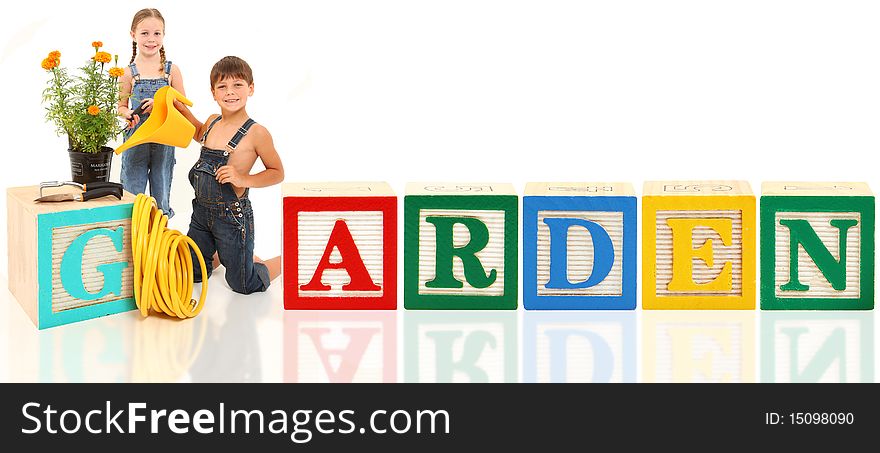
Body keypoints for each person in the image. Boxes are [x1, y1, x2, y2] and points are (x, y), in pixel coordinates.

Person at [175, 56, 284, 294]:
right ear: (213, 93)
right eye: (222, 87)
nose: (230, 92)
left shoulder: (257, 133)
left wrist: (243, 179)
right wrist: (180, 108)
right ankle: (217, 252)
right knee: (191, 272)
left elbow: (277, 173)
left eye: (237, 85)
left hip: (232, 217)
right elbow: (198, 133)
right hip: (201, 212)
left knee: (244, 284)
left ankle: (283, 260)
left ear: (251, 88)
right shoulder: (213, 122)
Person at [117, 8, 185, 218]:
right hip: (137, 138)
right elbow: (121, 107)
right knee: (133, 195)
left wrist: (160, 104)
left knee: (161, 195)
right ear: (133, 35)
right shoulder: (128, 73)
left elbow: (182, 105)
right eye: (144, 33)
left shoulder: (171, 71)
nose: (151, 39)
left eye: (157, 33)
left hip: (164, 139)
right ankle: (135, 245)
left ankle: (160, 244)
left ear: (163, 35)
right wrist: (127, 113)